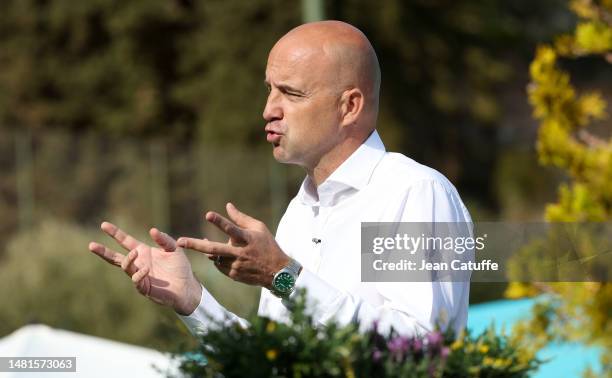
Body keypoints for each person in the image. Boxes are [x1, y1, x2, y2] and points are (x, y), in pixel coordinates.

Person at [88, 20, 471, 337]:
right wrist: (192, 300)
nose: (268, 109)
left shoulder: (412, 192)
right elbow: (273, 361)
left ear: (350, 106)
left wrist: (283, 275)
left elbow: (418, 344)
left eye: (290, 93)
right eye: (270, 89)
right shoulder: (300, 213)